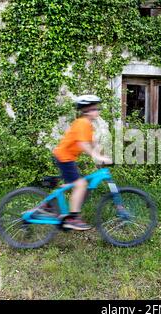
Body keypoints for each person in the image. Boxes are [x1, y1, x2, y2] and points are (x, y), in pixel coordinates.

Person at [52, 94, 111, 230]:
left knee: (73, 184)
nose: (98, 111)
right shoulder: (82, 123)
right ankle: (72, 218)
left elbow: (92, 143)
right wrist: (98, 157)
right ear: (87, 110)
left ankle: (51, 205)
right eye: (95, 108)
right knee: (81, 184)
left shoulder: (88, 125)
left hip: (68, 157)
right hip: (64, 156)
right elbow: (84, 144)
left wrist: (103, 155)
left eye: (97, 108)